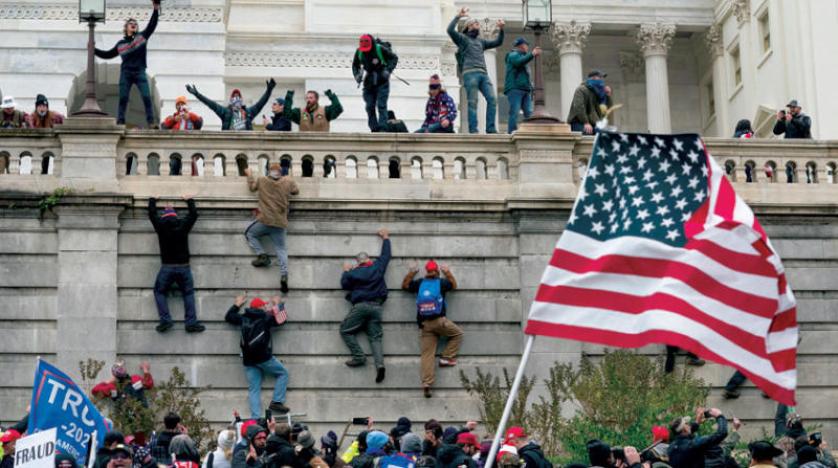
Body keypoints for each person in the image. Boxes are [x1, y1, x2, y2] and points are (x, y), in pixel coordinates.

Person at [401, 260, 462, 398]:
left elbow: (405, 285)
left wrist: (411, 272)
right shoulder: (441, 283)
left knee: (427, 355)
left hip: (424, 324)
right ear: (437, 271)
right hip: (439, 321)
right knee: (458, 334)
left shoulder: (420, 283)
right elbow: (454, 285)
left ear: (426, 271)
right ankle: (446, 357)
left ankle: (427, 383)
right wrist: (448, 272)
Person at [94, 0, 159, 127]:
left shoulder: (142, 37)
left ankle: (151, 122)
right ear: (126, 28)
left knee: (146, 97)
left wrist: (155, 9)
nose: (133, 25)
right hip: (126, 73)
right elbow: (107, 54)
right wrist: (94, 50)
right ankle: (121, 121)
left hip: (140, 72)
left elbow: (152, 25)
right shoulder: (121, 44)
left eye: (135, 24)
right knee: (123, 98)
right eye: (131, 24)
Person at [225, 293, 290, 418]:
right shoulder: (266, 317)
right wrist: (278, 304)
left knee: (254, 389)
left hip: (248, 359)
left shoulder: (243, 318)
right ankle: (277, 402)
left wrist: (237, 304)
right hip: (263, 357)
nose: (265, 307)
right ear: (260, 307)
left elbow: (228, 317)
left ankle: (255, 418)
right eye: (264, 305)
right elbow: (282, 319)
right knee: (283, 374)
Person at [340, 228, 391, 383]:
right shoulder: (377, 267)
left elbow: (344, 285)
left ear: (358, 262)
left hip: (361, 306)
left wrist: (346, 271)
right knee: (375, 338)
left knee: (345, 330)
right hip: (377, 307)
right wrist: (385, 237)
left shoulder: (353, 273)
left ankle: (359, 356)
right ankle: (380, 365)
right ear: (368, 259)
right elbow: (386, 255)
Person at [148, 195, 205, 333]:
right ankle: (191, 323)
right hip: (184, 267)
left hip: (167, 267)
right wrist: (189, 200)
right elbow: (193, 215)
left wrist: (153, 200)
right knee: (188, 293)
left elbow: (151, 214)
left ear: (164, 217)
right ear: (176, 216)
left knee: (159, 292)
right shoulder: (182, 226)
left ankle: (165, 320)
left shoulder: (160, 227)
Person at [244, 162, 300, 294]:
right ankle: (284, 275)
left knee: (249, 234)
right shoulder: (288, 181)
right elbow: (296, 191)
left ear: (269, 171)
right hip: (280, 223)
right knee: (281, 249)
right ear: (281, 172)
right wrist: (290, 179)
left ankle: (262, 255)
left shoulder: (262, 180)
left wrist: (249, 175)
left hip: (265, 221)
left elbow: (252, 188)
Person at [447, 7, 504, 134]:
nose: (478, 25)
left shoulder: (481, 41)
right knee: (473, 102)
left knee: (492, 99)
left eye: (478, 23)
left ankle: (490, 128)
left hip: (483, 74)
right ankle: (473, 130)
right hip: (470, 73)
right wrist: (458, 17)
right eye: (476, 23)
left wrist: (501, 29)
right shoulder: (463, 39)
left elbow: (498, 42)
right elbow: (450, 30)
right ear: (469, 27)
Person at [352, 34, 399, 132]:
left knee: (381, 105)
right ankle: (374, 128)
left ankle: (383, 128)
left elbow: (394, 58)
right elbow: (355, 65)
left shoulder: (380, 49)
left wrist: (388, 70)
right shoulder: (359, 52)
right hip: (369, 82)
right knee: (369, 106)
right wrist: (357, 75)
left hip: (382, 80)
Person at [186, 80, 275, 131]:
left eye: (238, 97)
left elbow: (260, 104)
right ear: (231, 100)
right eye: (234, 97)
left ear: (241, 100)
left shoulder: (248, 112)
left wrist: (269, 91)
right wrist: (197, 94)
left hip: (245, 146)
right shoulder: (225, 112)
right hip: (230, 147)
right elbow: (211, 104)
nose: (236, 99)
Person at [503, 37, 540, 133]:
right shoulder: (513, 55)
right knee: (514, 111)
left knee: (528, 112)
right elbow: (518, 62)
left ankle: (531, 131)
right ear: (522, 45)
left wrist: (531, 87)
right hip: (515, 88)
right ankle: (511, 131)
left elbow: (526, 75)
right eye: (526, 45)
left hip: (525, 89)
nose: (527, 47)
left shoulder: (522, 57)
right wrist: (532, 54)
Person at [567, 70, 613, 135]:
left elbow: (606, 109)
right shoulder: (581, 89)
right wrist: (586, 122)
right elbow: (579, 107)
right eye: (600, 78)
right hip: (578, 123)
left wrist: (607, 96)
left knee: (608, 134)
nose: (602, 80)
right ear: (593, 78)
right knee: (589, 133)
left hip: (593, 124)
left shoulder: (597, 92)